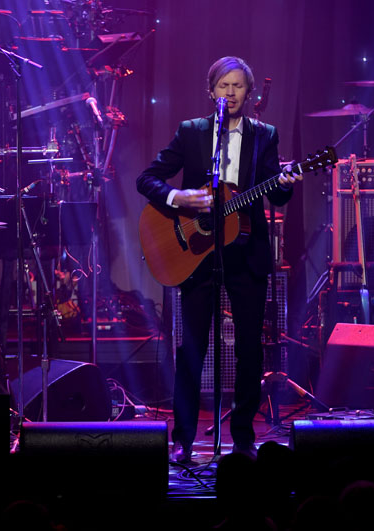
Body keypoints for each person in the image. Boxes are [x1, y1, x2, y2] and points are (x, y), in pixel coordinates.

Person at [136, 56, 301, 462]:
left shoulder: (265, 135)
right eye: (224, 85)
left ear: (249, 92)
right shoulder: (191, 132)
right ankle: (183, 440)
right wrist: (178, 197)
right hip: (195, 252)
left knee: (249, 350)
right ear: (211, 91)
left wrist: (286, 183)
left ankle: (243, 439)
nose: (230, 92)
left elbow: (276, 193)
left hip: (247, 253)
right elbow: (147, 179)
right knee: (192, 348)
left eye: (238, 85)